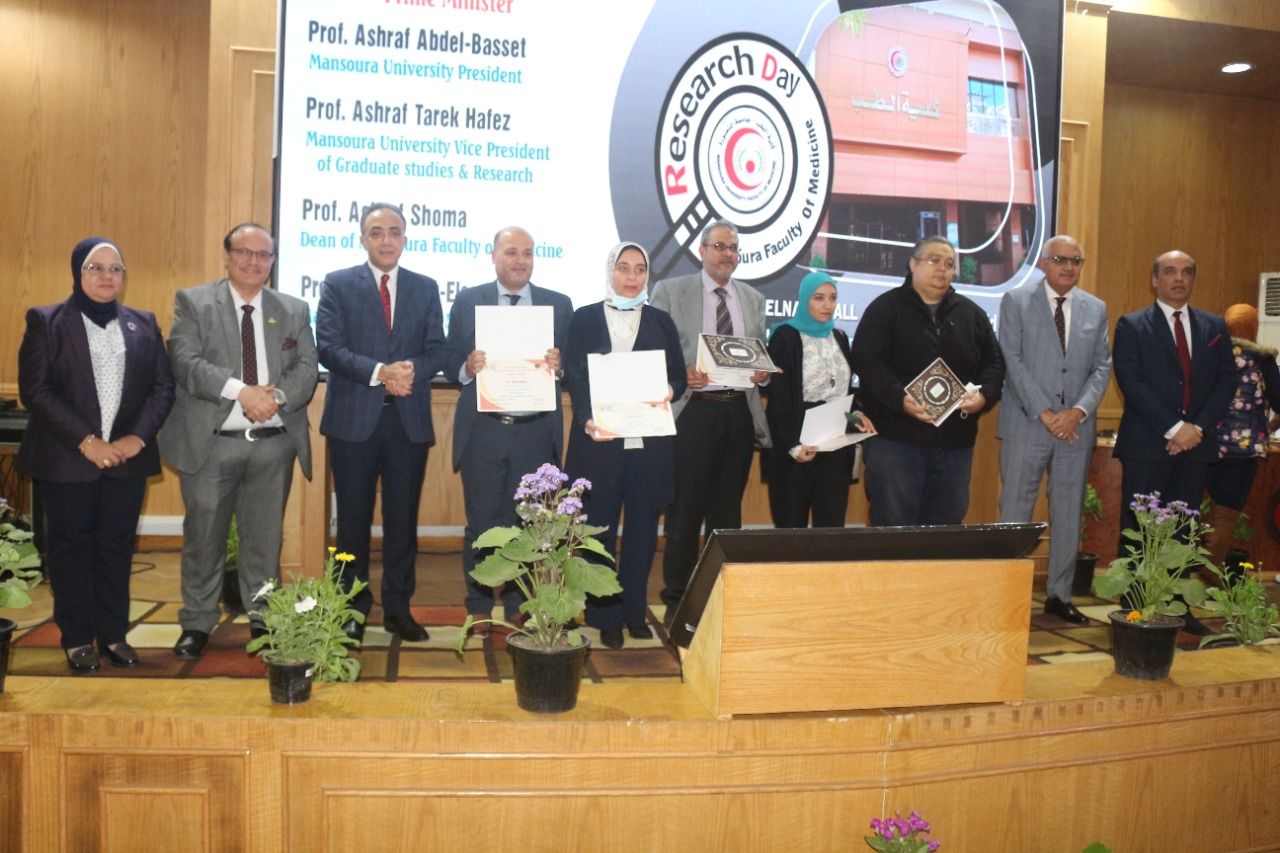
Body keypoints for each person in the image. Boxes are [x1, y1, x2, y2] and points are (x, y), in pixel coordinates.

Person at [17, 238, 175, 672]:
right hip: (67, 458)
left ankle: (113, 635)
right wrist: (87, 442)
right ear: (77, 271)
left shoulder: (143, 323)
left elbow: (162, 388)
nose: (107, 276)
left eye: (115, 268)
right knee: (71, 548)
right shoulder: (46, 321)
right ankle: (75, 638)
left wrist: (137, 439)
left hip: (127, 460)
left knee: (116, 548)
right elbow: (36, 391)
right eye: (95, 267)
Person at [161, 223, 318, 660]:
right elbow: (185, 361)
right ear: (227, 255)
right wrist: (241, 392)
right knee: (203, 539)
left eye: (263, 255)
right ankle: (197, 622)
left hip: (273, 444)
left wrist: (275, 398)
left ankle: (263, 619)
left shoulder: (293, 309)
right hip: (212, 444)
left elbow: (307, 367)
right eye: (244, 252)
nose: (253, 261)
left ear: (273, 261)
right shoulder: (194, 302)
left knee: (264, 541)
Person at [316, 203, 447, 643]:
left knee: (402, 522)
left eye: (394, 231)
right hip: (354, 423)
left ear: (405, 239)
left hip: (407, 424)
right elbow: (328, 348)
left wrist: (409, 370)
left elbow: (438, 349)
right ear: (362, 239)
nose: (386, 239)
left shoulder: (425, 287)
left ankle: (398, 607)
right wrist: (380, 372)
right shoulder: (337, 284)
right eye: (376, 232)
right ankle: (350, 608)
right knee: (352, 523)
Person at [446, 226, 573, 631]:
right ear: (494, 256)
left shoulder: (559, 304)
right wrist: (467, 367)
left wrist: (560, 366)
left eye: (528, 253)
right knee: (482, 523)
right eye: (512, 252)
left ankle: (520, 602)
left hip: (536, 431)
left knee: (529, 523)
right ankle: (480, 602)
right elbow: (449, 360)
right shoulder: (469, 300)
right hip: (485, 429)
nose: (520, 260)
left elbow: (572, 368)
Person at [562, 242, 686, 648]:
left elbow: (678, 376)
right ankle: (605, 615)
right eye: (623, 268)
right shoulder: (584, 318)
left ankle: (634, 612)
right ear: (610, 271)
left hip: (648, 446)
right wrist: (587, 419)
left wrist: (669, 389)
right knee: (598, 530)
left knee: (643, 533)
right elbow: (576, 377)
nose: (631, 277)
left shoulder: (662, 321)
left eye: (639, 269)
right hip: (599, 442)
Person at [650, 220, 772, 620]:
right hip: (693, 412)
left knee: (727, 514)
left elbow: (757, 355)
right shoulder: (671, 291)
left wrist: (762, 373)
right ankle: (677, 601)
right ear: (701, 251)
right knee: (684, 512)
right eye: (719, 246)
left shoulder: (753, 298)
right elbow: (653, 350)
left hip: (738, 413)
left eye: (733, 248)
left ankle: (718, 597)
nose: (727, 254)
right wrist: (680, 371)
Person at [1112, 250, 1236, 632]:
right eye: (1170, 271)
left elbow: (1227, 381)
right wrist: (1174, 428)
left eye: (1186, 272)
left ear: (1193, 278)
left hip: (1195, 447)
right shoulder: (1132, 325)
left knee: (1183, 532)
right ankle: (1134, 608)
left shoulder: (1214, 326)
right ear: (1155, 280)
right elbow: (1131, 382)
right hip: (1147, 446)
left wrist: (1195, 429)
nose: (1179, 278)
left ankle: (1179, 609)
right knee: (1139, 531)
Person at [996, 236, 1112, 624]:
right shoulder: (1016, 301)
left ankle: (1059, 596)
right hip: (1027, 423)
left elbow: (1101, 366)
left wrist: (1077, 411)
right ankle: (1006, 596)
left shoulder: (1095, 308)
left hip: (1075, 429)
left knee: (1068, 512)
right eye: (1060, 259)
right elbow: (1011, 360)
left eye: (1076, 260)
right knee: (1015, 512)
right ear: (1043, 263)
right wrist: (1046, 413)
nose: (1068, 266)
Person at [849, 235, 1004, 526]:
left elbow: (994, 365)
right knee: (893, 530)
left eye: (949, 264)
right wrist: (899, 399)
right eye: (934, 261)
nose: (942, 269)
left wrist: (983, 397)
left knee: (945, 533)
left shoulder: (973, 315)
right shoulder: (884, 309)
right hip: (895, 443)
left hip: (955, 447)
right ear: (913, 264)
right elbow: (868, 362)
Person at [764, 271, 876, 528]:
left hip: (835, 444)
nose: (828, 305)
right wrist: (793, 445)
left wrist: (856, 414)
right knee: (791, 529)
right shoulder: (785, 336)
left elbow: (842, 390)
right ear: (805, 300)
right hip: (797, 442)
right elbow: (779, 399)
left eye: (833, 298)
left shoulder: (840, 337)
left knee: (831, 527)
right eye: (819, 298)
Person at [1202, 304, 1280, 574]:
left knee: (1206, 509)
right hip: (1244, 451)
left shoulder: (1211, 354)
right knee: (1226, 514)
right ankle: (1210, 573)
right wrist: (1271, 423)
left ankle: (1193, 572)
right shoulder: (1263, 359)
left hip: (1207, 445)